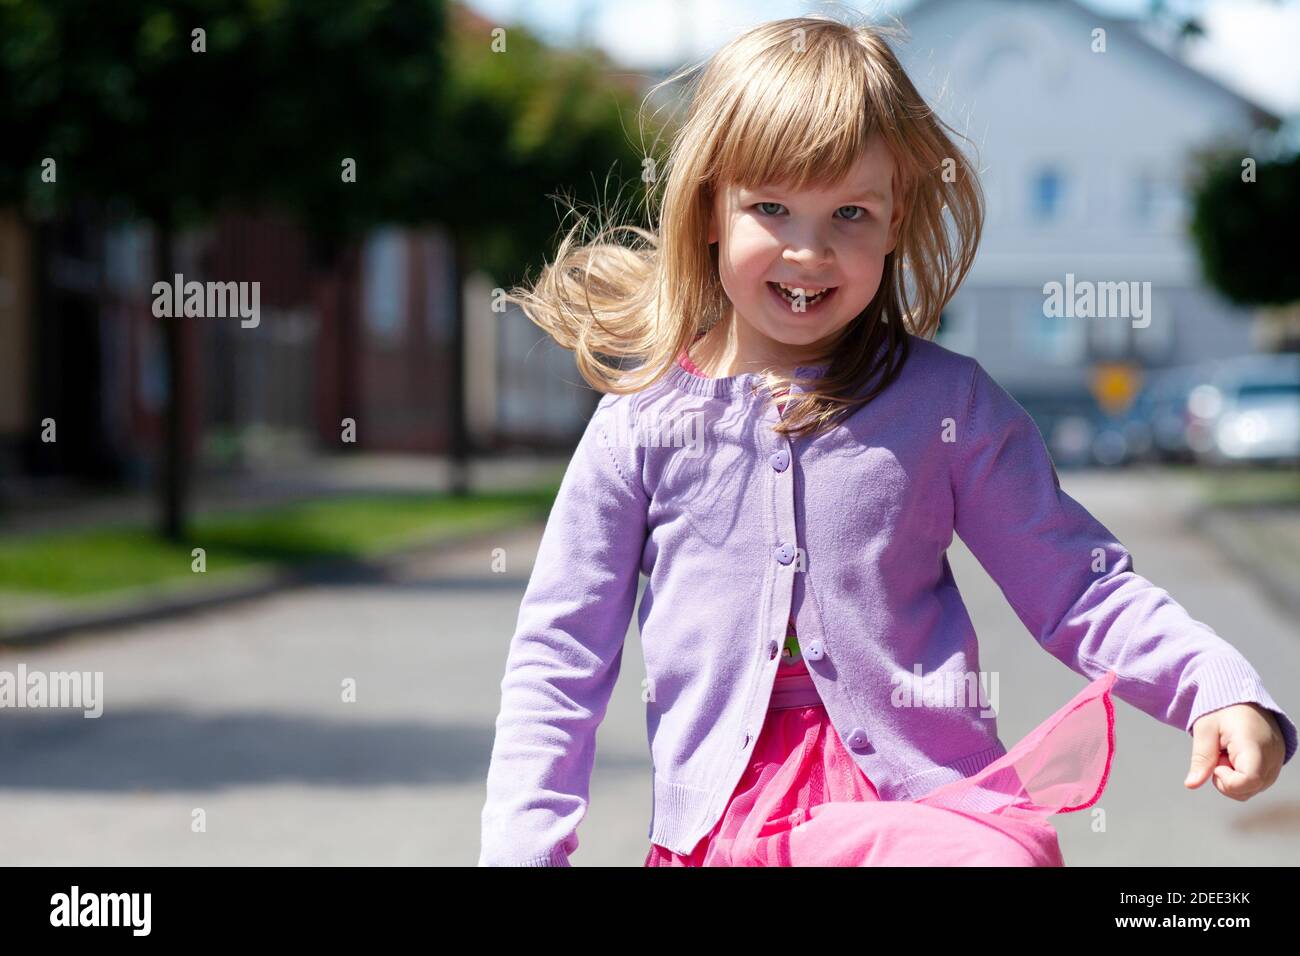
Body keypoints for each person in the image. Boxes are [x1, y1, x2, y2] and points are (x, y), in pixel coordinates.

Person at [478, 14, 1295, 867]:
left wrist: (1213, 684)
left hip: (927, 815)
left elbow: (1080, 586)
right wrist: (525, 850)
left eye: (851, 213)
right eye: (771, 207)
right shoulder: (642, 424)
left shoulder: (947, 406)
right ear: (711, 206)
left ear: (898, 218)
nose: (809, 249)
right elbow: (559, 657)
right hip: (728, 833)